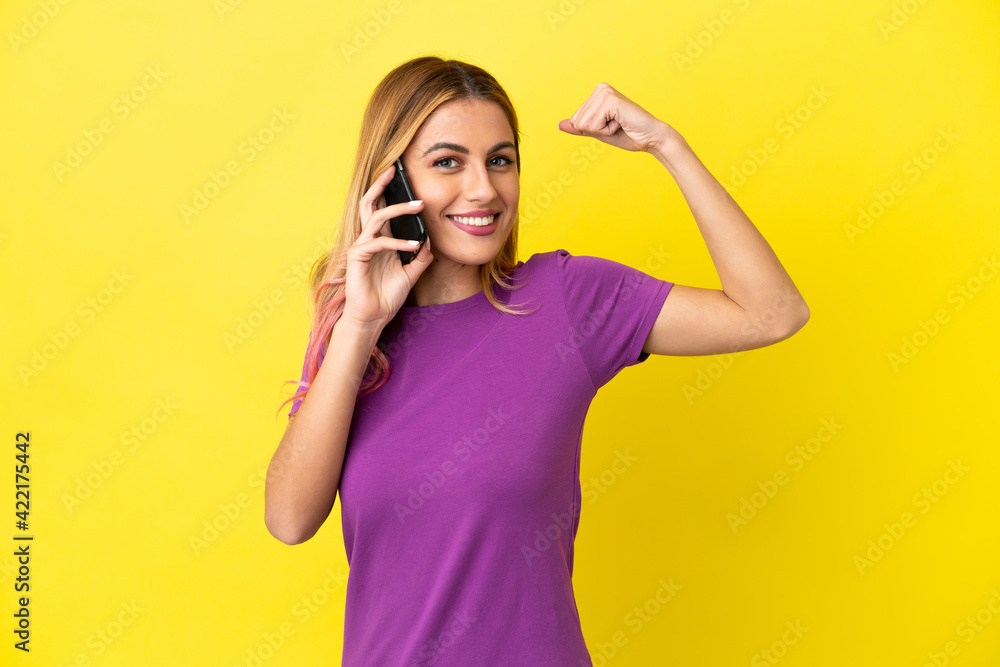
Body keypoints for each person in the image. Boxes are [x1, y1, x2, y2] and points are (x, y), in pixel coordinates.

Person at [264, 55, 809, 666]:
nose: (484, 189)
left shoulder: (566, 300)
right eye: (448, 162)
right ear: (390, 183)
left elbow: (773, 313)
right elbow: (289, 519)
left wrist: (667, 145)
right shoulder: (353, 335)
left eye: (501, 160)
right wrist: (360, 326)